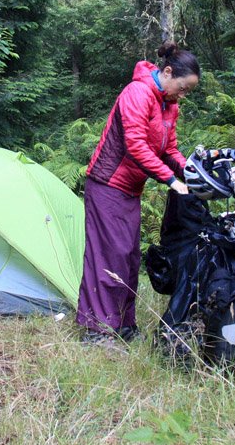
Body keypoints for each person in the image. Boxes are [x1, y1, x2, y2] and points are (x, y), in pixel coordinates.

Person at [77, 41, 200, 346]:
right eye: (182, 88)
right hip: (107, 185)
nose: (182, 95)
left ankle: (123, 325)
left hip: (129, 189)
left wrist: (193, 173)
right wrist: (171, 181)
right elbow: (135, 146)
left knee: (130, 257)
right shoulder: (138, 92)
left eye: (188, 92)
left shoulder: (168, 104)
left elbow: (169, 149)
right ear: (168, 72)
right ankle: (97, 331)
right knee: (108, 257)